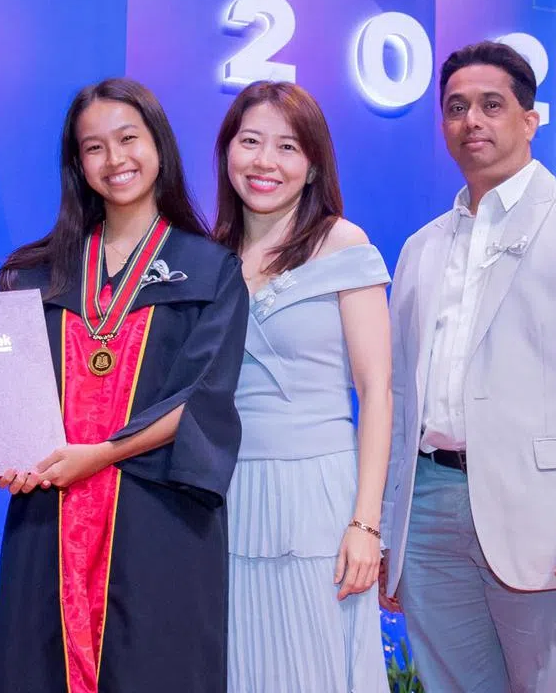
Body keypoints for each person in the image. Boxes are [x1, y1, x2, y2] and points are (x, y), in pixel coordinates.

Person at [379, 41, 556, 691]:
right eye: (456, 107)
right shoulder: (421, 247)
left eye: (491, 104)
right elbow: (399, 397)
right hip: (427, 506)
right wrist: (392, 521)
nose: (471, 120)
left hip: (546, 512)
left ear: (530, 119)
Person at [0, 77, 249, 693]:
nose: (114, 159)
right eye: (92, 147)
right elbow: (4, 400)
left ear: (159, 146)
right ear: (77, 164)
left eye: (128, 138)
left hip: (159, 514)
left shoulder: (209, 270)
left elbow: (202, 396)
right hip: (47, 514)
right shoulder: (33, 275)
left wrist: (100, 456)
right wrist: (3, 453)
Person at [212, 80, 392, 692]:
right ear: (227, 151)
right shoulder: (209, 255)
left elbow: (377, 390)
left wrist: (367, 524)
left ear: (313, 163)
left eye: (287, 147)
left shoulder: (344, 244)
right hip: (228, 495)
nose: (265, 162)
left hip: (319, 498)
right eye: (251, 141)